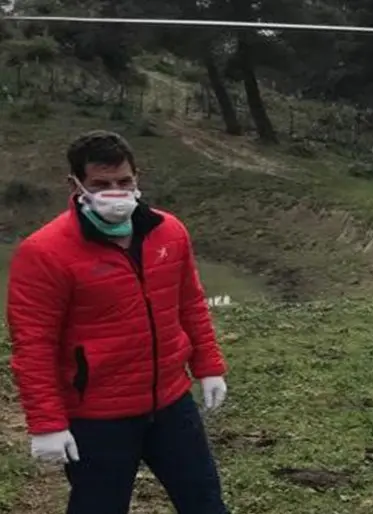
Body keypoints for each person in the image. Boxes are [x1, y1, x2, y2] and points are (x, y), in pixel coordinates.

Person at [6, 130, 231, 514]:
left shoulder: (169, 232)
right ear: (76, 185)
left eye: (124, 181)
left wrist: (209, 367)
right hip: (97, 418)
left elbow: (190, 303)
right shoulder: (44, 253)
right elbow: (33, 344)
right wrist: (47, 423)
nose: (116, 191)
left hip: (171, 404)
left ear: (137, 177)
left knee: (205, 502)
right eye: (102, 184)